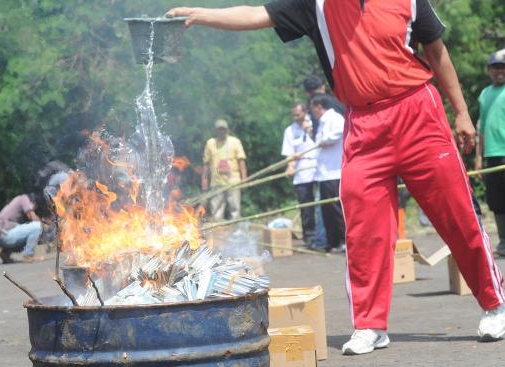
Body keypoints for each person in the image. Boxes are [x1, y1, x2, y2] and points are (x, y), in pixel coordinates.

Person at [167, 0, 505, 355]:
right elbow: (257, 14)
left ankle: (494, 304)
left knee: (457, 213)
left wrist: (463, 113)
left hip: (418, 111)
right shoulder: (316, 5)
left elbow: (437, 53)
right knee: (363, 228)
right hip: (362, 124)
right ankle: (370, 325)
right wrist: (200, 15)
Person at [475, 49, 505, 257]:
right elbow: (482, 128)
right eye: (495, 67)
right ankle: (503, 243)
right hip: (492, 155)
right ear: (488, 70)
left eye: (503, 68)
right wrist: (478, 158)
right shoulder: (485, 94)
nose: (499, 71)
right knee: (495, 201)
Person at [311, 93, 346, 253]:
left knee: (336, 208)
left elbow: (342, 129)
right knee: (326, 210)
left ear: (319, 106)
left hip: (334, 172)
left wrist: (327, 140)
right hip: (323, 173)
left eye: (313, 108)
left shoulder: (334, 118)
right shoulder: (322, 122)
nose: (312, 112)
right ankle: (332, 242)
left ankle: (343, 240)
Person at [282, 102, 318, 248]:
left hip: (320, 169)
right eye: (293, 115)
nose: (295, 117)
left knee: (325, 205)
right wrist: (290, 167)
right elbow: (289, 155)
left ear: (306, 112)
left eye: (298, 114)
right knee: (306, 206)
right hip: (302, 171)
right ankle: (309, 237)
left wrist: (308, 128)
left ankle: (328, 235)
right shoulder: (289, 131)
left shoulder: (316, 123)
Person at [202, 119, 247, 220]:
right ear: (215, 131)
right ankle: (218, 234)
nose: (221, 132)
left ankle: (237, 233)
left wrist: (244, 180)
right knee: (216, 211)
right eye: (218, 129)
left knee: (235, 209)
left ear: (227, 130)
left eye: (223, 129)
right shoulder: (210, 143)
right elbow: (206, 163)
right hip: (216, 182)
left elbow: (241, 161)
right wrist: (204, 179)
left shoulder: (235, 142)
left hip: (233, 181)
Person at [0, 193, 46, 263]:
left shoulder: (16, 203)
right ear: (35, 203)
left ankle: (5, 253)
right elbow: (32, 217)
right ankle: (29, 255)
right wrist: (43, 226)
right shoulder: (23, 198)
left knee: (30, 237)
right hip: (5, 235)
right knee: (37, 225)